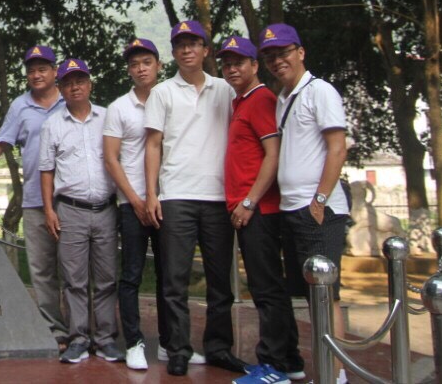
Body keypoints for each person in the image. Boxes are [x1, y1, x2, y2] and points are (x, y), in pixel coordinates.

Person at [143, 20, 246, 376]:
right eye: (180, 45)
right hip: (177, 196)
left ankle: (218, 348)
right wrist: (152, 192)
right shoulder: (162, 93)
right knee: (174, 280)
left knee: (221, 282)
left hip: (219, 197)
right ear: (173, 53)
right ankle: (178, 348)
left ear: (205, 49)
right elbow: (153, 144)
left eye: (193, 43)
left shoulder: (226, 90)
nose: (187, 49)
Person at [0, 45, 69, 348]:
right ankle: (55, 329)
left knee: (74, 269)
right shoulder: (20, 106)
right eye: (31, 70)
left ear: (55, 71)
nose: (36, 74)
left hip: (71, 199)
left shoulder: (71, 99)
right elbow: (1, 141)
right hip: (33, 200)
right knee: (42, 270)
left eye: (42, 68)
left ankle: (81, 330)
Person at [258, 23, 350, 382]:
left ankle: (336, 373)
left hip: (318, 210)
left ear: (300, 52)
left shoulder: (320, 91)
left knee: (327, 295)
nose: (277, 61)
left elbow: (337, 147)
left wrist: (321, 198)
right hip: (291, 208)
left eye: (283, 53)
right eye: (270, 56)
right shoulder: (282, 98)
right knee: (312, 297)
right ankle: (324, 367)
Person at [216, 36, 304, 380]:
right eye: (227, 64)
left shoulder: (261, 99)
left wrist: (250, 202)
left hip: (260, 211)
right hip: (250, 209)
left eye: (239, 62)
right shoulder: (242, 102)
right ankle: (291, 361)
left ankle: (274, 365)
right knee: (269, 287)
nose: (232, 68)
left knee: (267, 290)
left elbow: (274, 154)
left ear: (255, 65)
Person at [39, 58, 120, 364]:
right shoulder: (52, 125)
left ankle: (106, 338)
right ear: (60, 87)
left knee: (106, 276)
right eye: (68, 82)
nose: (75, 87)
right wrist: (49, 209)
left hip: (105, 209)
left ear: (90, 84)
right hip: (70, 209)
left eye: (80, 81)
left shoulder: (108, 118)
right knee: (73, 279)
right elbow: (46, 170)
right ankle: (79, 338)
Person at [103, 38, 169, 370]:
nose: (140, 68)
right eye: (134, 64)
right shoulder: (119, 108)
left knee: (169, 275)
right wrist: (135, 198)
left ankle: (172, 342)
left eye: (146, 62)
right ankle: (134, 342)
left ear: (159, 65)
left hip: (169, 200)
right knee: (130, 275)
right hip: (132, 203)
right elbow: (111, 159)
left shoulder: (172, 98)